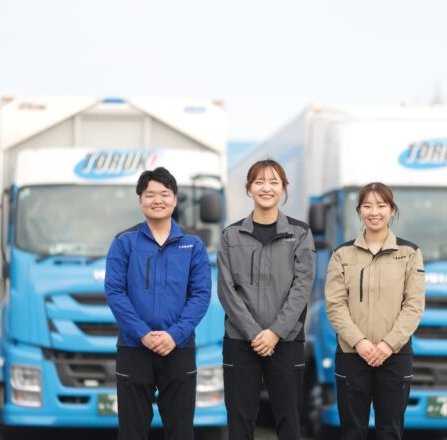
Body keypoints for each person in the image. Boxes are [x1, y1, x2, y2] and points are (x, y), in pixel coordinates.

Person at [105, 167, 211, 440]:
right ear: (140, 200)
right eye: (150, 194)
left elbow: (200, 295)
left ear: (174, 199)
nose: (158, 200)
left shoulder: (192, 245)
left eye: (165, 194)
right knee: (131, 431)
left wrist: (175, 335)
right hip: (134, 347)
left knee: (181, 431)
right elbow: (115, 292)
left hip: (179, 347)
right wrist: (142, 333)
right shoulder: (124, 242)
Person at [217, 159, 315, 440]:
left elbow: (302, 287)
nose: (266, 188)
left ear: (284, 188)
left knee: (289, 422)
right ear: (249, 188)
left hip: (286, 341)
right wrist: (253, 333)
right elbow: (226, 289)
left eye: (274, 182)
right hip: (240, 341)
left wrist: (275, 332)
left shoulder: (300, 233)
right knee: (240, 423)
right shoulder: (231, 235)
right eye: (259, 182)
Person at [324, 182, 425, 440]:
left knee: (390, 431)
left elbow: (413, 305)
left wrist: (388, 344)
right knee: (352, 431)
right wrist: (359, 342)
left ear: (392, 210)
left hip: (395, 355)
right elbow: (335, 305)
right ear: (359, 211)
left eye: (381, 205)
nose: (374, 212)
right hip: (351, 354)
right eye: (367, 206)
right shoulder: (342, 254)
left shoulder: (410, 253)